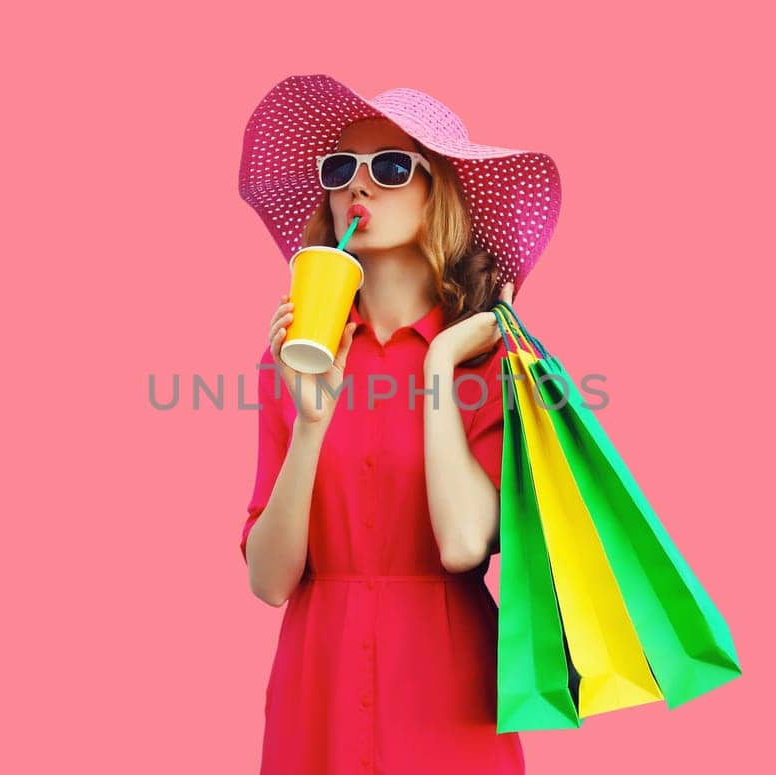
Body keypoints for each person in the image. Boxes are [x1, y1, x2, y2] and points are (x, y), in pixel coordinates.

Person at [235, 74, 562, 775]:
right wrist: (311, 422)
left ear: (435, 189)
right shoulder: (291, 366)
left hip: (446, 692)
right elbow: (269, 580)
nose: (359, 188)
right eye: (339, 169)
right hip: (313, 690)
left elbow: (464, 543)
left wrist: (441, 360)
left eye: (389, 166)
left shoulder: (492, 361)